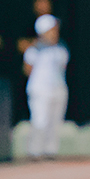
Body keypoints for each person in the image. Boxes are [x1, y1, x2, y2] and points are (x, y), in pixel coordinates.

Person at [23, 14, 69, 160]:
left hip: (58, 88)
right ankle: (35, 151)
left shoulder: (61, 49)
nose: (55, 33)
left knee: (55, 122)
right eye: (51, 30)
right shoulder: (34, 50)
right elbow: (27, 69)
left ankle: (50, 151)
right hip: (40, 89)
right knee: (40, 120)